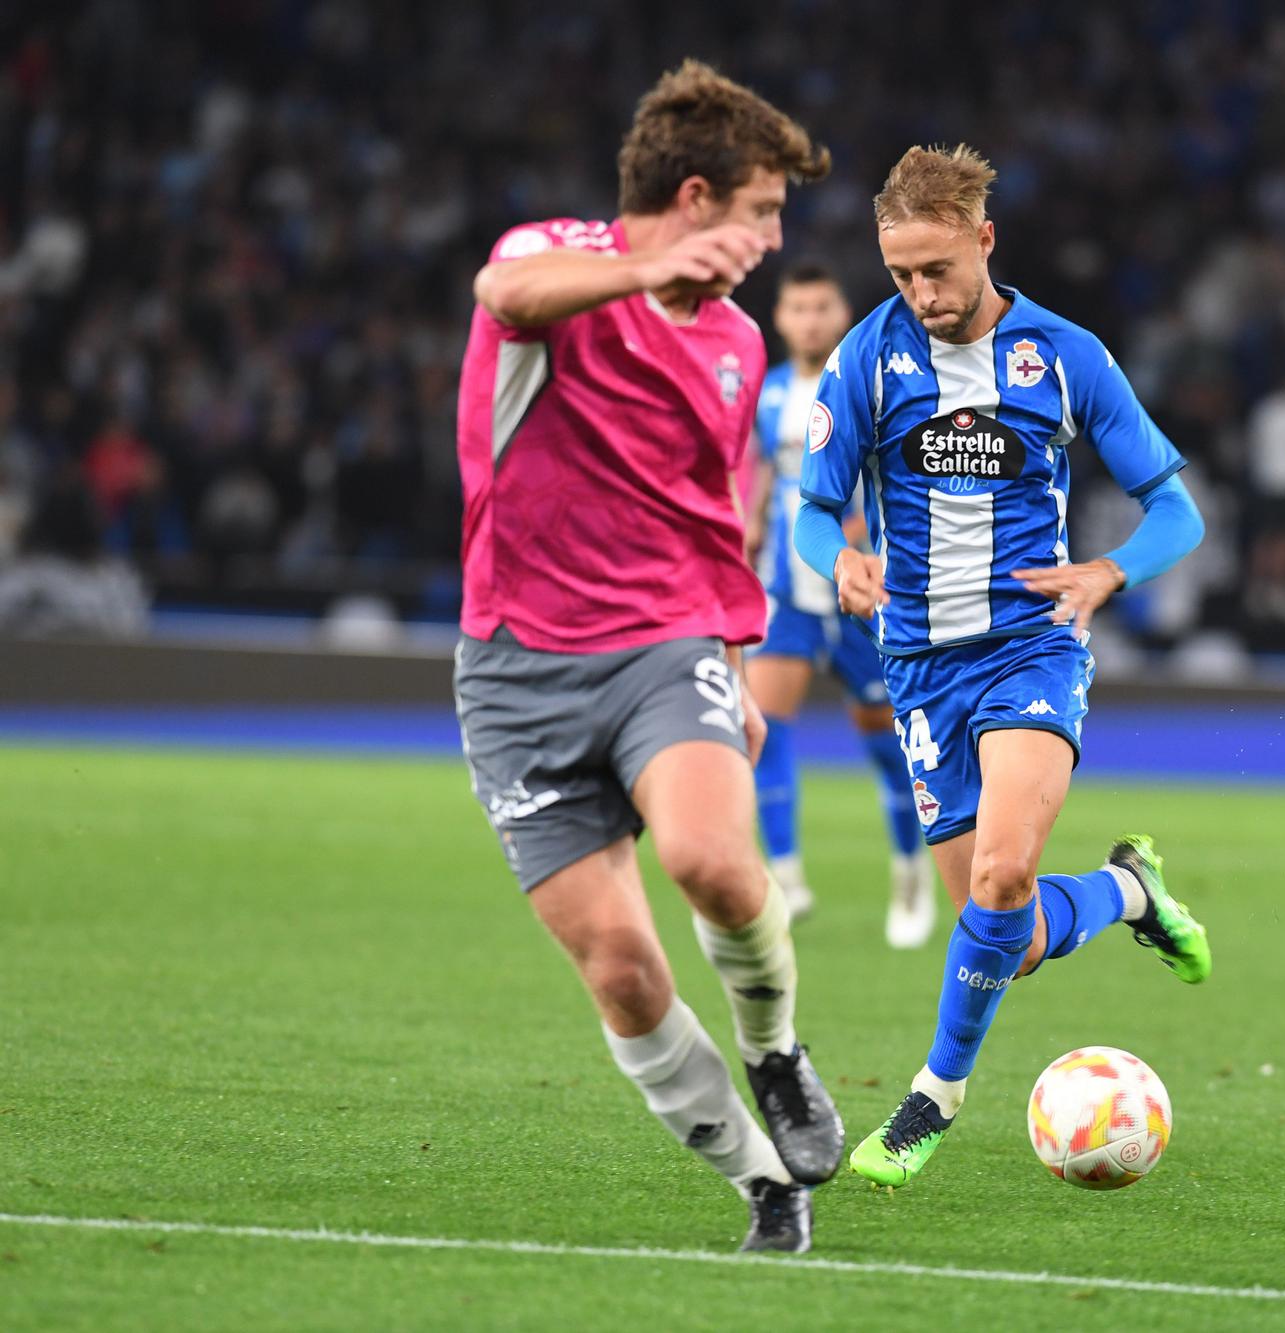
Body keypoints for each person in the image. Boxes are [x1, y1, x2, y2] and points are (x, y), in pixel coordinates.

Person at [451, 60, 841, 1252]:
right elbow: (501, 290)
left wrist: (731, 648)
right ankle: (762, 1180)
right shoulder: (558, 260)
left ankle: (776, 1053)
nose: (774, 242)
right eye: (763, 211)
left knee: (712, 860)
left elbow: (711, 504)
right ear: (693, 196)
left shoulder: (731, 346)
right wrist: (639, 271)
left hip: (661, 645)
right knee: (620, 969)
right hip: (512, 669)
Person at [793, 145, 1211, 1188]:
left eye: (935, 269)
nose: (918, 293)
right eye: (898, 274)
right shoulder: (864, 361)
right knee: (1008, 936)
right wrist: (836, 556)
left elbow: (1176, 508)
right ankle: (1127, 891)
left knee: (1000, 875)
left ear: (984, 240)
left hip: (1032, 644)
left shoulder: (1064, 356)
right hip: (921, 665)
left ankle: (931, 1098)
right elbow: (807, 511)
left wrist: (1106, 573)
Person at [745, 264, 936, 947]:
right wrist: (752, 527)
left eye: (822, 306)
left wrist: (859, 539)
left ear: (843, 312)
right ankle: (787, 880)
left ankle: (911, 872)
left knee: (891, 749)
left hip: (863, 591)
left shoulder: (869, 381)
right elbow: (766, 475)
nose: (810, 319)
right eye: (797, 307)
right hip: (787, 594)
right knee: (763, 726)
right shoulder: (766, 395)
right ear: (780, 317)